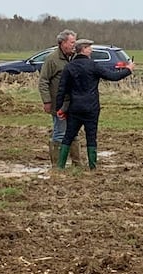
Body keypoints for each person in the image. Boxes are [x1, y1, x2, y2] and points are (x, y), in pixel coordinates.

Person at [55, 39, 135, 169]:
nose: (91, 50)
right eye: (89, 47)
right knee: (91, 136)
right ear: (84, 49)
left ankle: (60, 166)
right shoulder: (93, 66)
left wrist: (59, 108)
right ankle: (93, 167)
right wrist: (128, 70)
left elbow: (62, 89)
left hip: (75, 107)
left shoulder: (69, 67)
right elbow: (113, 76)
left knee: (68, 135)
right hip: (91, 107)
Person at [38, 29, 84, 168]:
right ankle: (57, 165)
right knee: (59, 133)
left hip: (74, 103)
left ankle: (77, 163)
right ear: (63, 43)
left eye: (75, 42)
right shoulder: (52, 59)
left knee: (74, 132)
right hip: (59, 104)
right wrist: (47, 101)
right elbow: (43, 81)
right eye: (72, 42)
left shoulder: (75, 58)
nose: (74, 45)